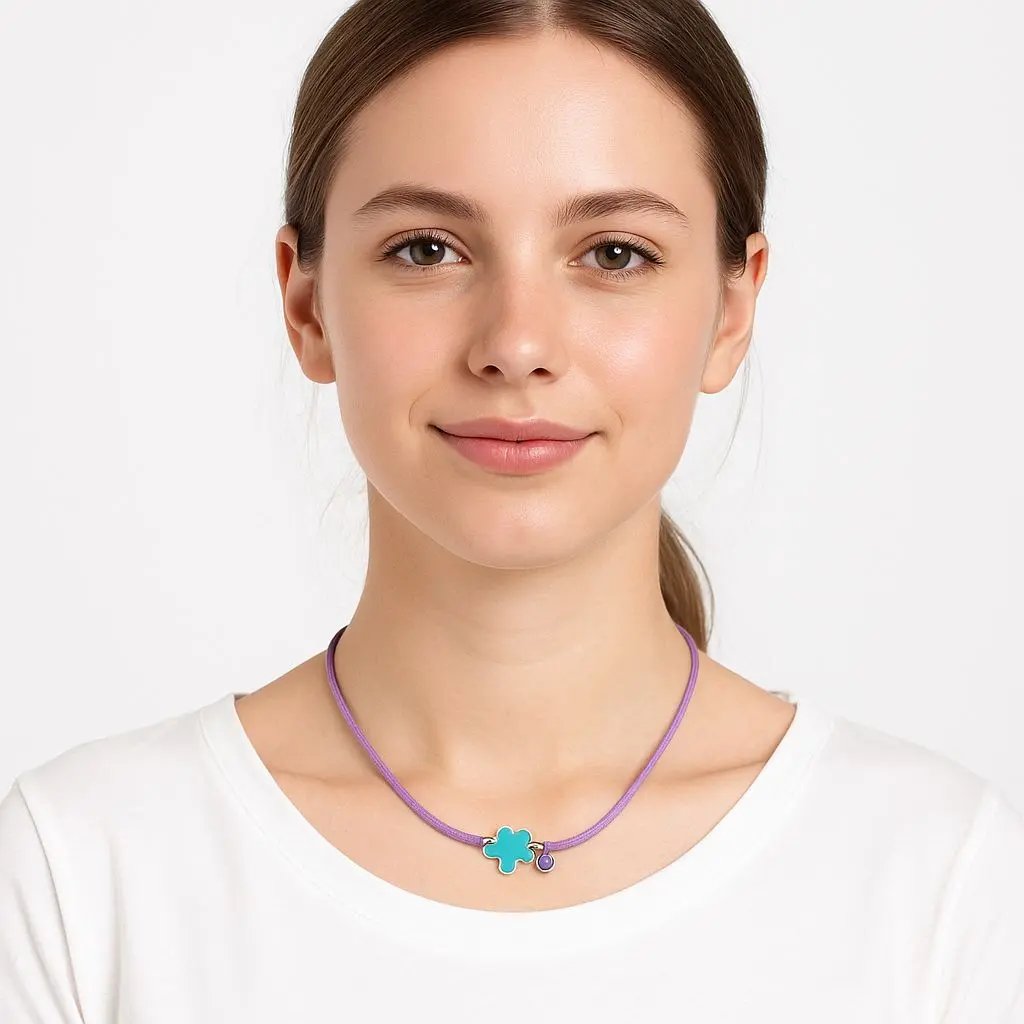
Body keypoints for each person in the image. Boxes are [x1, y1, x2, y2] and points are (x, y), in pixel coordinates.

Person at [2, 0, 1022, 1019]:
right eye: (426, 249)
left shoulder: (938, 878)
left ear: (733, 309)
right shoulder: (81, 870)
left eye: (614, 253)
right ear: (306, 306)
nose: (517, 343)